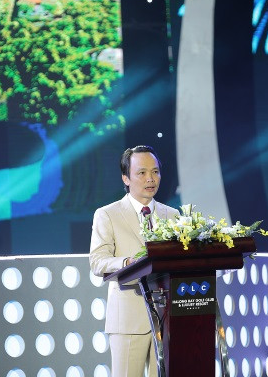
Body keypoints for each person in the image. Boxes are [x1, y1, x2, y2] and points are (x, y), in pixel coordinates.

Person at [89, 145, 179, 377]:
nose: (151, 178)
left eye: (155, 172)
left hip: (168, 317)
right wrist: (127, 263)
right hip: (128, 318)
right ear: (126, 178)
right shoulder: (107, 214)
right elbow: (97, 261)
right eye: (142, 173)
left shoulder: (173, 215)